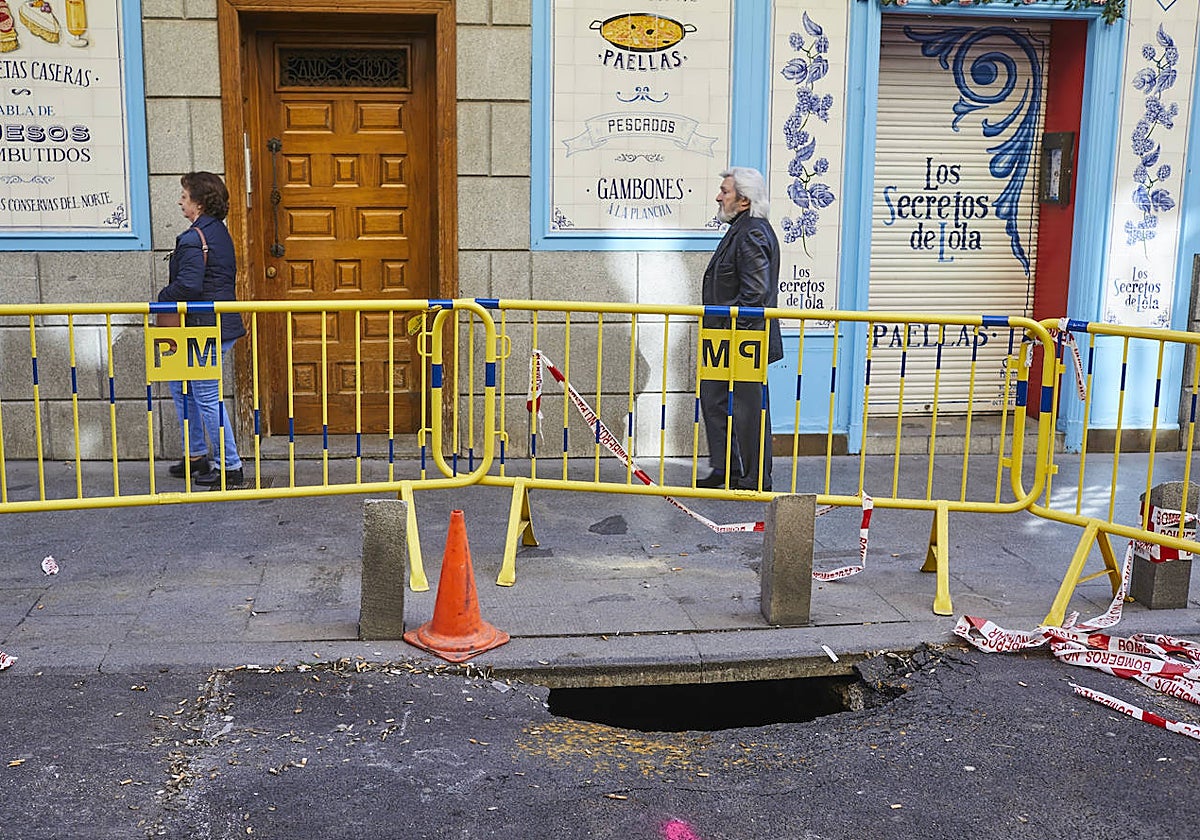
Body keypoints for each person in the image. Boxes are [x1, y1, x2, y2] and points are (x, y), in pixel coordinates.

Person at [158, 171, 246, 487]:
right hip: (208, 326)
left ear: (198, 202)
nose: (180, 201)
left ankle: (231, 467)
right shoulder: (217, 232)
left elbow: (189, 286)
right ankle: (196, 456)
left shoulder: (196, 237)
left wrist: (161, 299)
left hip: (203, 328)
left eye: (184, 195)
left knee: (206, 397)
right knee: (183, 391)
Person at [697, 167, 783, 491]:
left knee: (748, 411)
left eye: (725, 191)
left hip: (742, 338)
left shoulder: (753, 232)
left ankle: (754, 478)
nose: (719, 196)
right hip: (725, 338)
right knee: (716, 402)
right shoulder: (741, 228)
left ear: (744, 200)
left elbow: (755, 294)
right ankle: (727, 470)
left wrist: (739, 341)